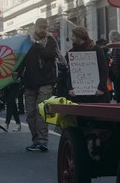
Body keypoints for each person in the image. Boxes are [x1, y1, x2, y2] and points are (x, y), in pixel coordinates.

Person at [23, 18, 58, 152]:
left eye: (45, 27)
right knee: (30, 114)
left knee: (41, 111)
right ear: (35, 27)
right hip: (30, 82)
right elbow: (21, 59)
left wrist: (36, 43)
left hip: (46, 82)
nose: (43, 30)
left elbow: (48, 55)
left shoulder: (50, 41)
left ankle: (43, 140)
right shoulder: (27, 41)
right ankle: (36, 140)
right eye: (41, 27)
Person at [66, 26, 110, 104]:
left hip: (96, 94)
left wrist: (101, 88)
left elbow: (104, 70)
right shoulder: (71, 52)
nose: (71, 38)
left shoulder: (97, 50)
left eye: (73, 36)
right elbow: (69, 72)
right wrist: (70, 88)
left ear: (79, 37)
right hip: (78, 95)